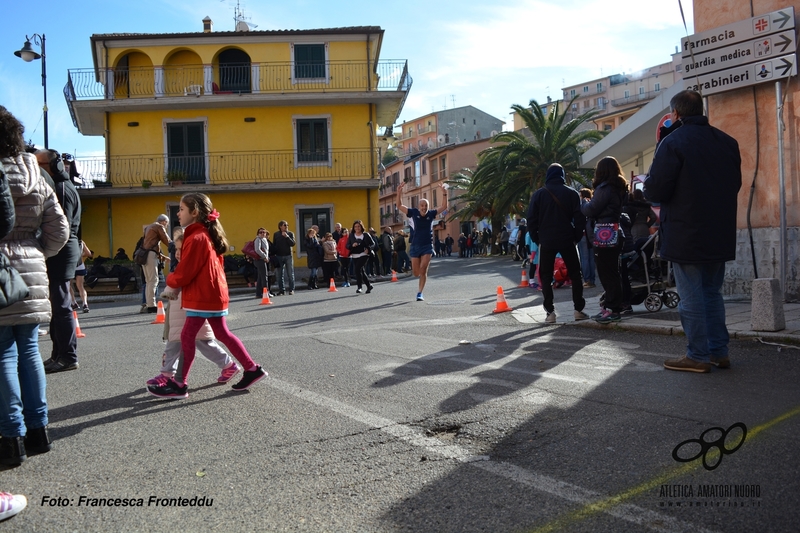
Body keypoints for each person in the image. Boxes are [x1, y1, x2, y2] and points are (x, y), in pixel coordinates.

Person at [644, 89, 742, 373]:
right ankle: (718, 352)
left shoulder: (673, 142)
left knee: (691, 296)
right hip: (719, 230)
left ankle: (697, 355)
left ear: (675, 114)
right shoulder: (728, 142)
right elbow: (734, 184)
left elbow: (656, 188)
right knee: (712, 293)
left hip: (685, 231)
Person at [0, 105, 69, 464]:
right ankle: (39, 433)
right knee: (28, 351)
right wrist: (35, 251)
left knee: (2, 355)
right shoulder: (35, 174)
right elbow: (59, 229)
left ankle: (11, 439)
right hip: (31, 269)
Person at [148, 193, 267, 398]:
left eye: (182, 209)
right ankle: (251, 369)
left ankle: (179, 384)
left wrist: (171, 280)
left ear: (194, 213)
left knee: (187, 336)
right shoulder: (205, 234)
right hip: (212, 294)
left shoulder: (196, 237)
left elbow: (186, 271)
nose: (178, 213)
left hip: (203, 296)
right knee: (221, 334)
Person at [146, 230, 239, 388]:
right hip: (182, 312)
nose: (177, 253)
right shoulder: (184, 265)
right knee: (200, 343)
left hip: (191, 312)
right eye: (176, 250)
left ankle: (167, 374)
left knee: (187, 343)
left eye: (181, 249)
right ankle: (228, 365)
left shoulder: (194, 266)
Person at [36, 149, 82, 374]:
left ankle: (67, 356)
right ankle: (58, 354)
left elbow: (59, 224)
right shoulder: (63, 186)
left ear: (54, 167)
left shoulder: (61, 188)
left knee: (62, 304)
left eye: (41, 165)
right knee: (58, 304)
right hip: (63, 248)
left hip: (62, 250)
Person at [526, 163, 588, 323]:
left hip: (546, 239)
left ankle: (550, 313)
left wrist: (536, 238)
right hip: (567, 238)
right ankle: (578, 310)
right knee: (575, 274)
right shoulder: (572, 194)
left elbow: (531, 220)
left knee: (546, 276)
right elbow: (580, 219)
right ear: (562, 175)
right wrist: (576, 236)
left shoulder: (539, 195)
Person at [581, 156, 628, 324]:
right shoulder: (619, 187)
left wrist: (584, 203)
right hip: (615, 231)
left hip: (604, 233)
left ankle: (611, 309)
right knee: (613, 272)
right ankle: (614, 306)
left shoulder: (604, 188)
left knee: (606, 273)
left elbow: (591, 210)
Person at [397, 182, 447, 301]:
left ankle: (420, 293)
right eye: (422, 206)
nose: (424, 208)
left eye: (426, 205)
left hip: (427, 245)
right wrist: (399, 192)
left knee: (423, 268)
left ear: (428, 207)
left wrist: (444, 193)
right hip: (415, 246)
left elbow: (444, 207)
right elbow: (399, 205)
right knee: (416, 273)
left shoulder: (431, 214)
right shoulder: (413, 212)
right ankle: (419, 277)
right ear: (419, 206)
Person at [140, 214, 171, 313]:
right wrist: (177, 246)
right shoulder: (159, 226)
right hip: (150, 256)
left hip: (143, 256)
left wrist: (163, 256)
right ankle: (152, 305)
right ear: (164, 222)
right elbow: (167, 240)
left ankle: (149, 304)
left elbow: (150, 244)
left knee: (149, 281)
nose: (166, 226)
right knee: (154, 280)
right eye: (167, 224)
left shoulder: (149, 227)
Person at [346, 220, 375, 294]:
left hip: (364, 254)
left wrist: (368, 249)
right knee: (361, 271)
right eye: (355, 226)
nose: (357, 228)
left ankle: (359, 287)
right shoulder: (352, 235)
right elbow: (347, 245)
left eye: (358, 226)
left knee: (357, 269)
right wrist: (352, 245)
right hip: (355, 255)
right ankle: (369, 286)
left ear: (361, 227)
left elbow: (373, 244)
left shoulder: (366, 235)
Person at [577, 188, 597, 288]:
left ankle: (587, 280)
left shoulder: (582, 205)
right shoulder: (593, 204)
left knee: (584, 258)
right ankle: (592, 279)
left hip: (583, 234)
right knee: (591, 258)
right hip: (592, 234)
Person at [272, 220, 295, 295]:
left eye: (287, 225)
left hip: (288, 255)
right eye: (285, 225)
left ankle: (291, 289)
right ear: (280, 226)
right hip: (279, 256)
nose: (286, 226)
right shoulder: (276, 234)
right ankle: (282, 290)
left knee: (290, 274)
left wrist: (287, 237)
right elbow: (274, 245)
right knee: (279, 275)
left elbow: (292, 244)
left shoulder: (290, 234)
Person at [70, 240, 92, 313]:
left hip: (70, 266)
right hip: (80, 266)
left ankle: (74, 302)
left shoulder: (67, 241)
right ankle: (85, 304)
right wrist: (80, 254)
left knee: (68, 286)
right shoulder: (81, 242)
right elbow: (89, 254)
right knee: (80, 286)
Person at [253, 227, 270, 299]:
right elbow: (257, 249)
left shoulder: (265, 239)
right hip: (259, 260)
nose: (263, 233)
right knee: (264, 277)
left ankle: (258, 293)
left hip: (263, 259)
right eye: (261, 232)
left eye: (264, 232)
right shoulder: (258, 239)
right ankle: (266, 293)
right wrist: (265, 257)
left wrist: (267, 257)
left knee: (260, 277)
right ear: (258, 233)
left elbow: (266, 250)